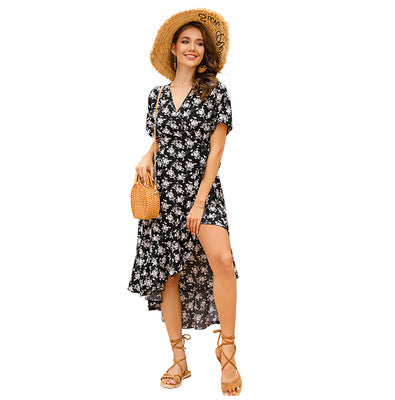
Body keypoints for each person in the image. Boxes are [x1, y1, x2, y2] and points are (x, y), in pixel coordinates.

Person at [127, 8, 242, 396]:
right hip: (164, 191)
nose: (192, 47)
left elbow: (216, 151)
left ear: (205, 52)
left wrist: (199, 201)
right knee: (168, 275)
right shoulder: (156, 95)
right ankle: (179, 359)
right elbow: (162, 139)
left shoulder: (215, 92)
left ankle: (227, 352)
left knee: (222, 259)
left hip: (200, 190)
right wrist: (147, 155)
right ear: (174, 49)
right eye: (185, 42)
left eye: (199, 43)